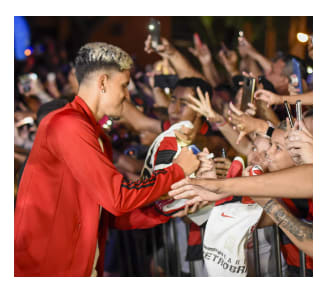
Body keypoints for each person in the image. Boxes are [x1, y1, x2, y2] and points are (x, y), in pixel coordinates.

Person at [14, 42, 200, 277]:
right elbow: (118, 199)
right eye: (123, 86)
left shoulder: (92, 131)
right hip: (47, 269)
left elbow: (108, 213)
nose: (126, 95)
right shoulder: (67, 124)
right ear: (103, 83)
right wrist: (178, 170)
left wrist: (164, 210)